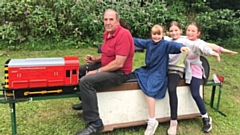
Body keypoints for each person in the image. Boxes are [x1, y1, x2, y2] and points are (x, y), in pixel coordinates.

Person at [166, 21, 237, 135]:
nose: (190, 33)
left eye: (193, 31)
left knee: (195, 93)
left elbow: (209, 46)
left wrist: (222, 52)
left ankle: (206, 117)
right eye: (188, 30)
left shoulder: (198, 43)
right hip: (182, 67)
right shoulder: (183, 38)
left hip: (194, 69)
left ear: (198, 33)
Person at [74, 9, 135, 135]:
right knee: (80, 70)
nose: (108, 22)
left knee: (86, 81)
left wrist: (97, 71)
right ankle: (86, 103)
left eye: (111, 19)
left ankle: (95, 123)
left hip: (120, 73)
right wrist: (95, 59)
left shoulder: (123, 35)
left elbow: (119, 63)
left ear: (117, 21)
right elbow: (108, 53)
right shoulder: (107, 33)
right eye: (105, 19)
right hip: (108, 66)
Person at [133, 24, 191, 135]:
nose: (156, 37)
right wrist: (123, 36)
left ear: (163, 34)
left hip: (159, 72)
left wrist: (181, 47)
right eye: (154, 34)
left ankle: (152, 121)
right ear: (151, 35)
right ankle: (151, 120)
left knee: (149, 91)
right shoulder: (149, 43)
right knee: (135, 74)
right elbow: (137, 41)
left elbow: (173, 45)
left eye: (159, 34)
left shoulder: (165, 44)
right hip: (148, 70)